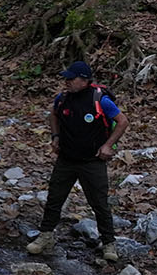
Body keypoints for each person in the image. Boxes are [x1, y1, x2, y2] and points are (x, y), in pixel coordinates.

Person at [30, 60, 128, 256]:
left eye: (70, 78)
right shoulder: (63, 99)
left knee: (99, 203)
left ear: (84, 80)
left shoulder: (100, 100)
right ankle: (46, 236)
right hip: (66, 159)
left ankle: (109, 243)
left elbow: (123, 121)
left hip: (92, 161)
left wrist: (108, 145)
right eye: (66, 78)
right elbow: (53, 114)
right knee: (54, 199)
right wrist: (55, 137)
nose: (66, 81)